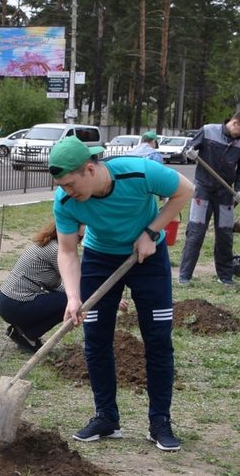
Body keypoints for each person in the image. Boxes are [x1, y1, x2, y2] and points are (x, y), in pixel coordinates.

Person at [51, 137, 193, 451]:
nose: (67, 192)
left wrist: (152, 232)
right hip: (100, 259)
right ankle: (106, 418)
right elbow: (67, 252)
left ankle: (159, 422)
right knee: (96, 339)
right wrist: (73, 296)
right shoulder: (64, 201)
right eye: (61, 185)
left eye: (71, 184)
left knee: (157, 339)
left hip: (148, 256)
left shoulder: (139, 173)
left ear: (90, 169)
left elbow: (185, 190)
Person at [177, 110, 240, 285]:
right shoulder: (208, 131)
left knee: (225, 235)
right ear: (234, 123)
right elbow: (186, 150)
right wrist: (189, 154)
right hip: (203, 190)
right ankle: (185, 276)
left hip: (225, 194)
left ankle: (225, 277)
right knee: (196, 232)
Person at [0, 225, 71, 353]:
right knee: (69, 301)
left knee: (66, 298)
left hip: (7, 301)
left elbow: (55, 286)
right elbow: (72, 279)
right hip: (16, 303)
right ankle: (28, 335)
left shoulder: (47, 244)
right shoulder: (55, 250)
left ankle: (22, 330)